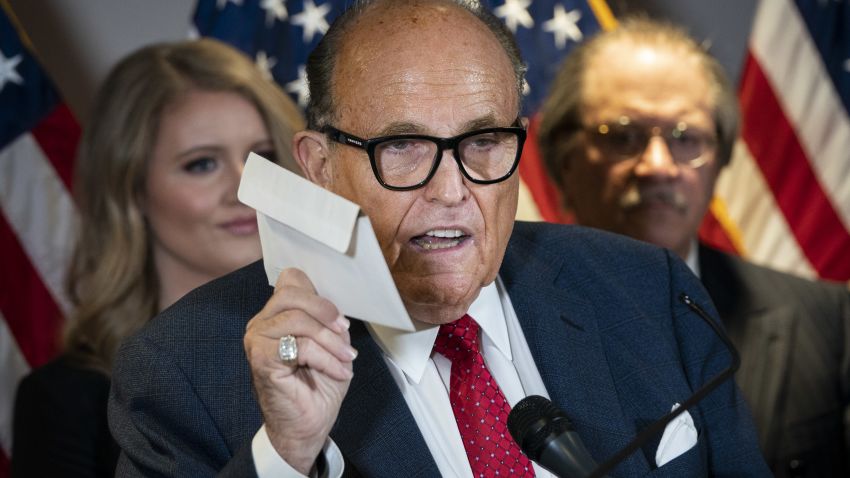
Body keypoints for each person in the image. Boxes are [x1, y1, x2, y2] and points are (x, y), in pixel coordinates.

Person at [108, 2, 771, 476]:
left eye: (483, 142)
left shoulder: (648, 292)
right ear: (316, 166)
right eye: (402, 147)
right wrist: (285, 453)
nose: (451, 189)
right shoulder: (185, 374)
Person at [538, 17, 850, 478]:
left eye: (686, 138)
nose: (658, 166)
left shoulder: (830, 320)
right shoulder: (498, 327)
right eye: (623, 135)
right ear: (563, 158)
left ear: (721, 160)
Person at [11, 38, 304, 478]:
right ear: (132, 193)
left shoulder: (351, 346)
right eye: (202, 164)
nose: (245, 187)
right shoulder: (67, 399)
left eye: (262, 157)